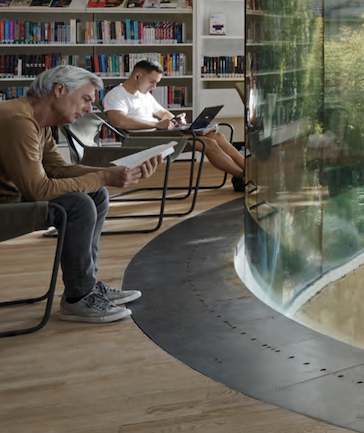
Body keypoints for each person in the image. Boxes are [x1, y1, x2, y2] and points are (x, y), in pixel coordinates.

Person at [0, 66, 160, 323]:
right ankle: (78, 296)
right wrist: (105, 176)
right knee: (77, 204)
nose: (89, 109)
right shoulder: (18, 121)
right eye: (86, 98)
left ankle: (86, 283)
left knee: (96, 194)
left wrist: (112, 172)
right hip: (7, 206)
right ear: (59, 90)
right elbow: (39, 189)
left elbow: (57, 169)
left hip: (13, 198)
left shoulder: (38, 122)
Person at [103, 60, 246, 191]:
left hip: (159, 133)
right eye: (152, 81)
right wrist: (157, 124)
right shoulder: (116, 95)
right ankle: (245, 177)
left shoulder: (144, 94)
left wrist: (175, 120)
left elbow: (163, 113)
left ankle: (249, 170)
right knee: (209, 144)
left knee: (217, 136)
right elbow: (118, 121)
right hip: (142, 139)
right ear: (137, 75)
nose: (154, 87)